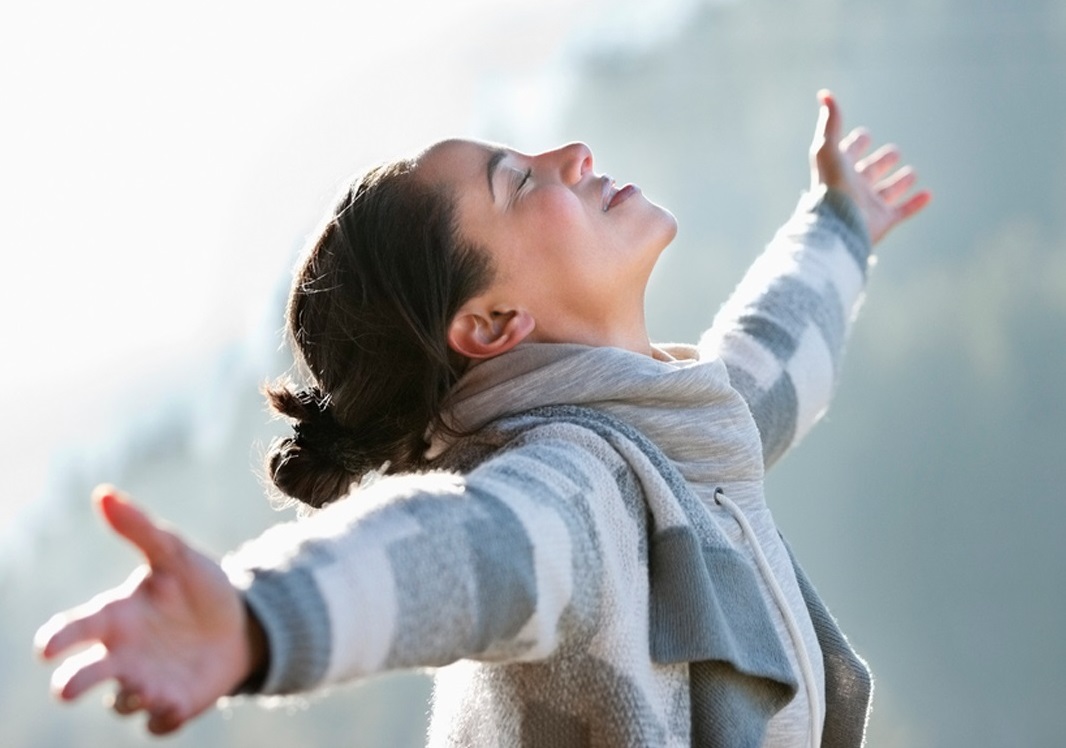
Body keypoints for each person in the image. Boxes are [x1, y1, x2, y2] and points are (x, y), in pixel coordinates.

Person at [35, 90, 930, 746]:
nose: (572, 155)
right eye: (517, 182)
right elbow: (459, 550)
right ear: (493, 325)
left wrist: (840, 227)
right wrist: (258, 618)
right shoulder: (576, 489)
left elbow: (764, 373)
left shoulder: (667, 441)